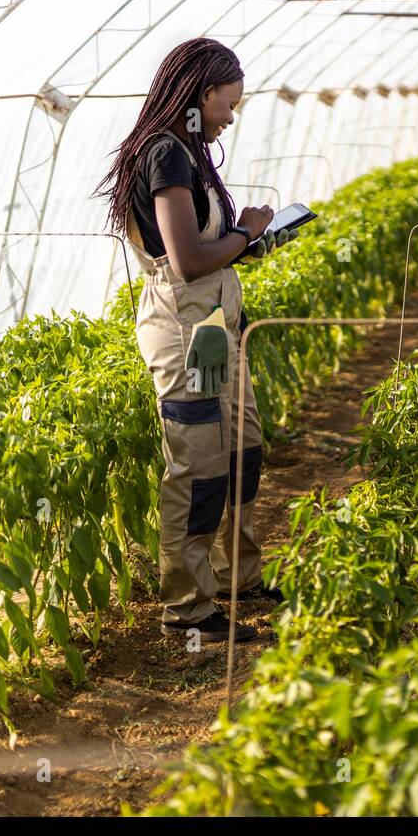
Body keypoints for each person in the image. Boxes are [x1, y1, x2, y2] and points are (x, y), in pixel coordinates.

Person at [96, 38, 297, 643]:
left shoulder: (187, 151)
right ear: (200, 94)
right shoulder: (165, 154)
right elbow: (185, 261)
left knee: (243, 449)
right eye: (226, 104)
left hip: (215, 326)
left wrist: (250, 243)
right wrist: (246, 229)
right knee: (199, 466)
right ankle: (188, 609)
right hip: (186, 332)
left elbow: (207, 255)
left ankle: (238, 574)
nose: (230, 116)